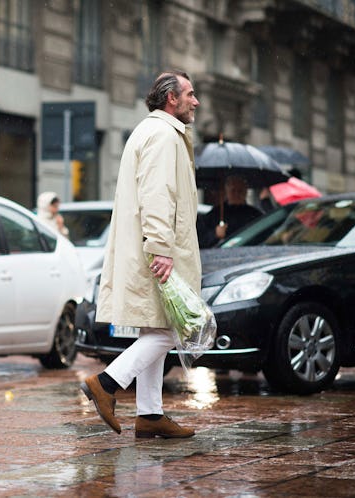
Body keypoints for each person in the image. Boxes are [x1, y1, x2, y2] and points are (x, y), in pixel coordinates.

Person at [80, 70, 201, 439]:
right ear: (171, 99)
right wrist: (162, 248)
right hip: (160, 251)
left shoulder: (154, 131)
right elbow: (157, 195)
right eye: (190, 94)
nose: (195, 101)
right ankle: (107, 382)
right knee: (178, 327)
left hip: (150, 248)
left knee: (157, 327)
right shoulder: (164, 135)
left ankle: (150, 415)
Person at [196, 175, 263, 248]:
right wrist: (215, 234)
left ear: (246, 191)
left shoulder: (255, 215)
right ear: (226, 191)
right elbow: (200, 240)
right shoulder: (215, 214)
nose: (237, 194)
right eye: (233, 190)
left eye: (240, 191)